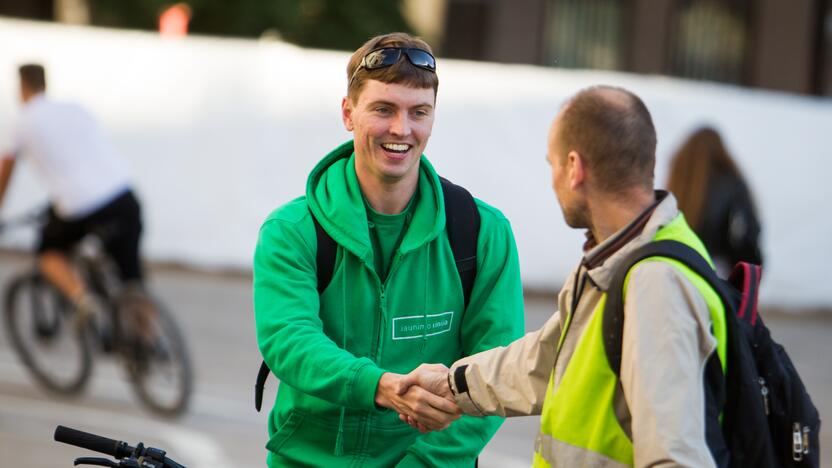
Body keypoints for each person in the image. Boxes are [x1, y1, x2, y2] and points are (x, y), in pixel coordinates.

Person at [398, 86, 730, 467]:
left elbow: (677, 457)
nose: (553, 180)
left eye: (551, 164)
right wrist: (453, 384)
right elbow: (547, 359)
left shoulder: (654, 283)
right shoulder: (620, 258)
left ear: (574, 168)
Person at [252, 32, 524, 467]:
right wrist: (380, 386)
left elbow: (497, 373)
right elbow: (289, 341)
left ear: (433, 118)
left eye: (419, 112)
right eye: (384, 109)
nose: (402, 129)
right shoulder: (292, 229)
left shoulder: (483, 232)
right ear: (348, 113)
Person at [0, 63, 147, 321]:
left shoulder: (22, 121)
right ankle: (147, 342)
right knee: (133, 281)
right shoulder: (75, 109)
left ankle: (82, 299)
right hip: (123, 194)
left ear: (21, 86)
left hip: (79, 203)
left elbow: (5, 174)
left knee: (49, 253)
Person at [667, 126, 763, 274]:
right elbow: (750, 226)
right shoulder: (731, 179)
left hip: (681, 261)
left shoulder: (681, 180)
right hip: (720, 266)